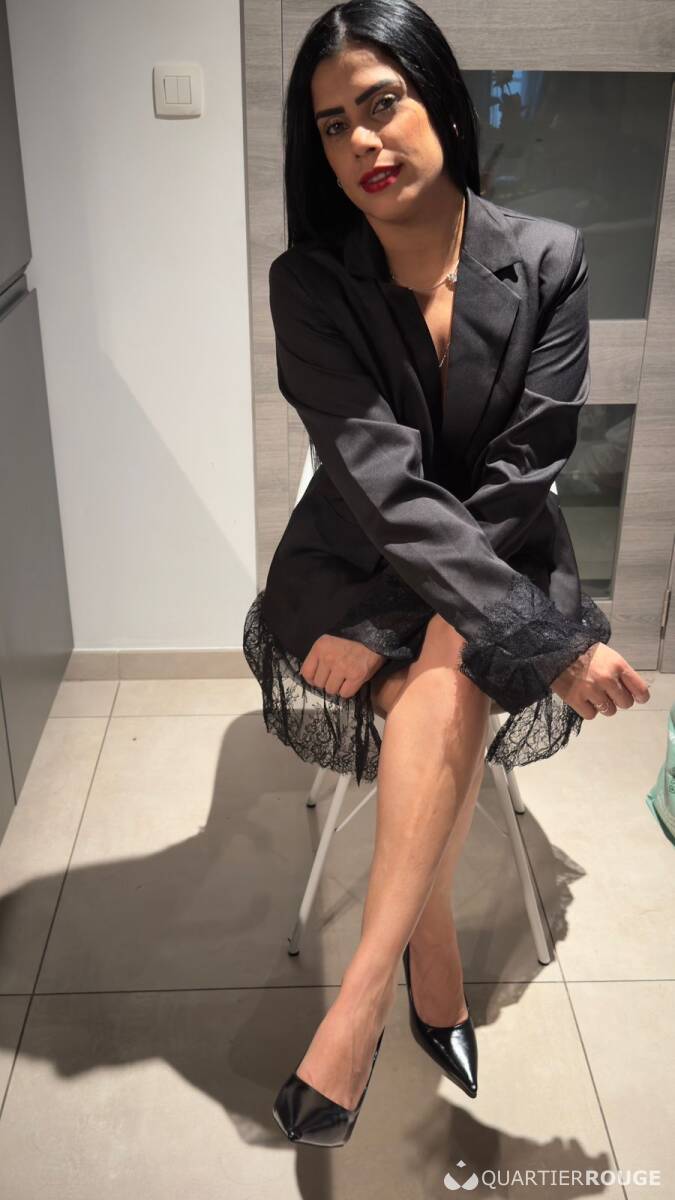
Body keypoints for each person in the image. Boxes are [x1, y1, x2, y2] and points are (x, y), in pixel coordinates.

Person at [242, 0, 651, 1147]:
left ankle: (358, 1003)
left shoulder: (550, 257)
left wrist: (498, 627)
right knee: (455, 669)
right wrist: (548, 645)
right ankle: (425, 965)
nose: (362, 142)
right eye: (334, 126)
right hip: (356, 551)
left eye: (382, 104)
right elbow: (381, 486)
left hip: (505, 543)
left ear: (443, 105)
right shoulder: (309, 283)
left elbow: (527, 470)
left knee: (453, 658)